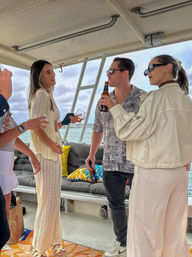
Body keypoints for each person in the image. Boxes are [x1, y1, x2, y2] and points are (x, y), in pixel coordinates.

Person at [100, 54, 191, 257]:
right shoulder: (186, 100)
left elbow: (130, 130)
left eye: (151, 67)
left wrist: (115, 108)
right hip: (179, 173)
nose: (147, 72)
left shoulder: (156, 99)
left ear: (168, 67)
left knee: (144, 231)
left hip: (153, 172)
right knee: (174, 231)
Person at [85, 57, 145, 257]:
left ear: (125, 72)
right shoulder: (103, 99)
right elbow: (97, 129)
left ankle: (141, 240)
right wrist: (92, 154)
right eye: (108, 71)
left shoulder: (142, 98)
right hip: (110, 162)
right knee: (115, 206)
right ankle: (122, 241)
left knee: (142, 204)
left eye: (111, 71)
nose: (107, 75)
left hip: (137, 162)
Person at [28, 60, 81, 257]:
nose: (53, 75)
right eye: (48, 72)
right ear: (39, 77)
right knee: (48, 204)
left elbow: (50, 126)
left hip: (52, 155)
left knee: (52, 202)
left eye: (52, 71)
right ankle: (39, 249)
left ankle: (55, 243)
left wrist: (66, 122)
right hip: (45, 155)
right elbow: (35, 127)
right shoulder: (41, 95)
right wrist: (51, 145)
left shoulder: (49, 96)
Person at [0, 68, 48, 253]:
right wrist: (25, 126)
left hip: (5, 166)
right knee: (2, 227)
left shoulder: (3, 109)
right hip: (1, 166)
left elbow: (12, 136)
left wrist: (31, 154)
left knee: (3, 224)